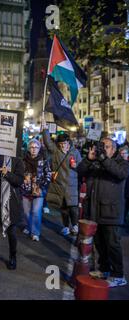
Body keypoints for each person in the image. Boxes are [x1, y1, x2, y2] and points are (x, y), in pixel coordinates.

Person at [77, 138, 129, 287]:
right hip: (95, 211)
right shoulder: (97, 161)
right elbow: (80, 171)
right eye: (101, 146)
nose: (102, 149)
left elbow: (120, 174)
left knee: (112, 244)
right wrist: (89, 159)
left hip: (111, 212)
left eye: (106, 147)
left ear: (113, 149)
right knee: (99, 244)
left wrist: (103, 159)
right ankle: (104, 269)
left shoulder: (122, 163)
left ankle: (118, 275)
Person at [42, 119, 82, 236]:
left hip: (71, 185)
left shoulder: (75, 152)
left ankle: (75, 225)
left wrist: (76, 166)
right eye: (60, 144)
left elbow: (82, 167)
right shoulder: (56, 152)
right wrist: (45, 129)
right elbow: (48, 142)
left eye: (64, 144)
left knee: (73, 208)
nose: (62, 146)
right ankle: (65, 226)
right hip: (59, 184)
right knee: (63, 209)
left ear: (69, 143)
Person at [21, 139, 52, 242]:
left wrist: (41, 184)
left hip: (39, 191)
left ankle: (35, 232)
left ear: (39, 149)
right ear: (29, 149)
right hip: (26, 191)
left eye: (36, 147)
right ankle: (28, 226)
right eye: (32, 147)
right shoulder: (24, 160)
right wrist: (23, 180)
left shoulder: (43, 161)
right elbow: (19, 173)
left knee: (36, 212)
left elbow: (48, 175)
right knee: (26, 212)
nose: (34, 149)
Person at [119, 146, 129, 226]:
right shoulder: (118, 164)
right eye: (121, 153)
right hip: (122, 190)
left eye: (124, 153)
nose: (122, 155)